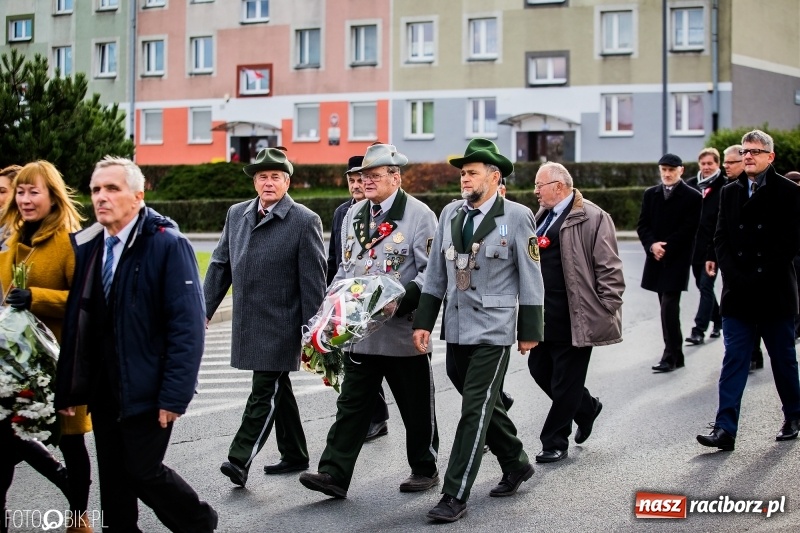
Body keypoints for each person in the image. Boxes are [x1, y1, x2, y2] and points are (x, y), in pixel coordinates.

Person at [55, 156, 217, 532]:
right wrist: (70, 387)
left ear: (138, 196)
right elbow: (82, 324)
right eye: (96, 189)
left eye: (112, 188)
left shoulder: (166, 244)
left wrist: (174, 396)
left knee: (142, 471)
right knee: (113, 479)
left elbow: (187, 327)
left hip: (149, 386)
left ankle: (198, 522)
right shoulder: (91, 245)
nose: (101, 197)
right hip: (105, 388)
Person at [412, 138, 544, 522]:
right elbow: (436, 274)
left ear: (494, 176)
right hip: (456, 326)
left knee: (473, 409)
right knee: (485, 403)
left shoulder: (517, 217)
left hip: (494, 327)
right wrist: (423, 322)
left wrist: (529, 328)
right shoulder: (451, 213)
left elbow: (531, 276)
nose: (464, 180)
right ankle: (516, 462)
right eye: (462, 174)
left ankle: (454, 494)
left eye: (471, 173)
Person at [299, 143, 440, 498]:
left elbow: (432, 274)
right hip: (361, 333)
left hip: (401, 332)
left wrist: (398, 299)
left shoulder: (420, 214)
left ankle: (425, 468)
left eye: (374, 176)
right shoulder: (353, 214)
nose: (367, 182)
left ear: (395, 177)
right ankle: (333, 473)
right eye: (364, 176)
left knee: (416, 407)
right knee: (352, 404)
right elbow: (344, 270)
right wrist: (327, 315)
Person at [205, 147, 326, 487]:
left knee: (264, 391)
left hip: (283, 324)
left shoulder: (305, 221)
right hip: (249, 321)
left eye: (275, 177)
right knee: (277, 388)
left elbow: (313, 282)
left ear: (287, 181)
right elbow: (220, 264)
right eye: (262, 177)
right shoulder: (237, 214)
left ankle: (239, 458)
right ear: (255, 182)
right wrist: (204, 312)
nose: (268, 182)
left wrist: (313, 332)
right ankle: (295, 453)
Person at [0, 161, 92, 533]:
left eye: (32, 191)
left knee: (71, 442)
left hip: (64, 359)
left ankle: (78, 517)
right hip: (18, 362)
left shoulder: (72, 240)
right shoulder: (12, 240)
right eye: (20, 191)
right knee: (7, 434)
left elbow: (87, 301)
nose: (24, 198)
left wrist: (36, 297)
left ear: (53, 196)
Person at [697, 130, 800, 450]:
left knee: (782, 359)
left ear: (771, 157)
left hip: (775, 291)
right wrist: (735, 274)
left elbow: (790, 242)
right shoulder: (729, 192)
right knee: (734, 360)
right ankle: (725, 429)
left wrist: (758, 275)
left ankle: (794, 415)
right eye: (745, 151)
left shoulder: (789, 192)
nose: (749, 156)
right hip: (738, 293)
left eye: (756, 151)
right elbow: (720, 238)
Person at [528, 162, 624, 463]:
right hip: (545, 313)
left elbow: (609, 267)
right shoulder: (540, 217)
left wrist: (607, 306)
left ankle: (554, 440)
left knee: (565, 380)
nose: (535, 192)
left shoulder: (593, 217)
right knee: (539, 369)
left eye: (538, 186)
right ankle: (586, 408)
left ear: (559, 186)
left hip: (577, 314)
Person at [326, 154, 390, 441]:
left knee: (370, 359)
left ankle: (377, 416)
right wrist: (329, 295)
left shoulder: (379, 212)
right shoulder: (343, 213)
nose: (355, 185)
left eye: (359, 180)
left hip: (376, 297)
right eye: (351, 180)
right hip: (347, 295)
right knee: (356, 358)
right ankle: (374, 416)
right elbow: (334, 256)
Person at [637, 153, 701, 373]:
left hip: (676, 259)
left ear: (681, 170)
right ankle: (677, 354)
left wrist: (666, 247)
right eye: (663, 169)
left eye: (671, 170)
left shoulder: (693, 196)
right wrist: (652, 246)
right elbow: (643, 225)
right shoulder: (651, 194)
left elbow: (689, 229)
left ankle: (670, 355)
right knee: (665, 307)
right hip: (656, 259)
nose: (667, 173)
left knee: (668, 308)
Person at [707, 146, 765, 370]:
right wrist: (715, 256)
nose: (726, 167)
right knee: (738, 312)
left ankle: (754, 353)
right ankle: (746, 355)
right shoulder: (727, 189)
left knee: (756, 311)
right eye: (726, 163)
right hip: (733, 263)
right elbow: (718, 228)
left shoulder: (758, 187)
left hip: (756, 263)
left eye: (731, 163)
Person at [684, 148, 726, 345]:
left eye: (710, 163)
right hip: (693, 249)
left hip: (713, 249)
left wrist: (714, 250)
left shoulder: (724, 186)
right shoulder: (691, 185)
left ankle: (698, 330)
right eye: (703, 164)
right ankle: (718, 321)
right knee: (703, 288)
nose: (707, 167)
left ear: (718, 164)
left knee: (706, 287)